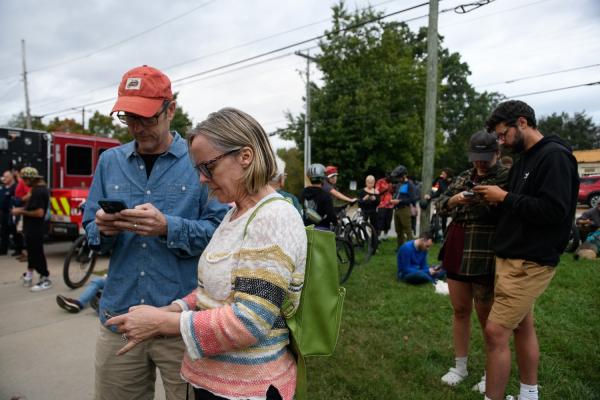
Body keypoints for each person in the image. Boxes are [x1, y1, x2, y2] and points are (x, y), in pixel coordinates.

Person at [105, 107, 307, 400]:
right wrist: (174, 309)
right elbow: (216, 290)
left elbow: (250, 320)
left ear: (245, 156)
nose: (201, 179)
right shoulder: (235, 213)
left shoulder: (273, 217)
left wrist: (162, 323)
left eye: (207, 167)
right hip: (217, 384)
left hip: (248, 390)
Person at [83, 65, 229, 400]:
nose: (138, 128)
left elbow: (221, 235)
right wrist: (102, 229)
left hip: (181, 323)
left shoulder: (199, 162)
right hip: (119, 318)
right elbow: (90, 230)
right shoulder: (110, 162)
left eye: (147, 117)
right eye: (129, 118)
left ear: (171, 109)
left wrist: (168, 227)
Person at [473, 100, 579, 400]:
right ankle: (529, 394)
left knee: (495, 333)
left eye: (502, 134)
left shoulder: (555, 157)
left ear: (522, 122)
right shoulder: (522, 159)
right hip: (511, 256)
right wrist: (489, 200)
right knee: (522, 325)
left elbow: (555, 211)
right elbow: (518, 207)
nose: (501, 142)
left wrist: (504, 198)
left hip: (530, 260)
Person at [435, 131, 509, 392]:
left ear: (497, 154)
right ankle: (460, 367)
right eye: (476, 158)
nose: (480, 163)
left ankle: (491, 374)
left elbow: (506, 209)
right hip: (457, 246)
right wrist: (455, 199)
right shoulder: (464, 177)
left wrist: (485, 200)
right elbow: (440, 204)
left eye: (485, 158)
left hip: (484, 251)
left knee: (487, 319)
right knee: (460, 310)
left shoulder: (505, 177)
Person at [11, 167, 50, 291]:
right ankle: (29, 275)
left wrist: (20, 211)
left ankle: (45, 278)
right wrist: (20, 201)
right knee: (32, 252)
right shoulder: (36, 189)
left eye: (25, 179)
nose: (23, 182)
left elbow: (39, 213)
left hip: (35, 228)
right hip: (31, 228)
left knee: (37, 253)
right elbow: (26, 198)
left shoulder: (39, 191)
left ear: (30, 179)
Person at [299, 163, 337, 230]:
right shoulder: (326, 195)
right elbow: (331, 216)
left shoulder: (303, 192)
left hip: (305, 230)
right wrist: (336, 222)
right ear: (322, 179)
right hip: (322, 231)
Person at [390, 165, 416, 248]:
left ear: (404, 175)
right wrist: (393, 199)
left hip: (404, 209)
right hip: (397, 209)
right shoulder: (399, 184)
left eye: (399, 177)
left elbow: (412, 199)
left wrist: (400, 201)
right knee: (399, 231)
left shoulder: (410, 184)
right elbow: (397, 195)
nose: (398, 179)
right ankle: (400, 247)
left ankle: (412, 248)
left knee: (408, 230)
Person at [0, 170, 17, 255]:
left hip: (12, 213)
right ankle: (3, 250)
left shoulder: (15, 187)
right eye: (3, 176)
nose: (4, 178)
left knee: (15, 231)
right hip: (3, 213)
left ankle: (19, 249)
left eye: (6, 176)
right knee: (4, 232)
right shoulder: (3, 187)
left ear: (11, 177)